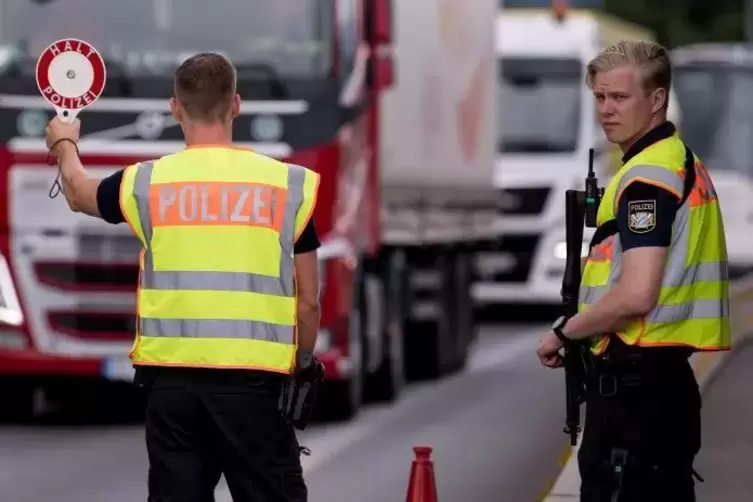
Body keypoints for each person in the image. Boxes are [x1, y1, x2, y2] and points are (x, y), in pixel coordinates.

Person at [44, 52, 321, 502]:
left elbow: (78, 193)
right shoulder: (287, 186)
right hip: (256, 387)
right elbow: (308, 301)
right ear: (235, 105)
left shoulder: (147, 183)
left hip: (172, 388)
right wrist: (302, 364)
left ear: (175, 109)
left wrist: (64, 142)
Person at [536, 40, 731, 501]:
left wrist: (566, 333)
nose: (606, 109)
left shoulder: (648, 178)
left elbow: (637, 294)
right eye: (600, 97)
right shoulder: (676, 162)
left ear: (657, 99)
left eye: (619, 97)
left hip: (636, 395)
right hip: (660, 389)